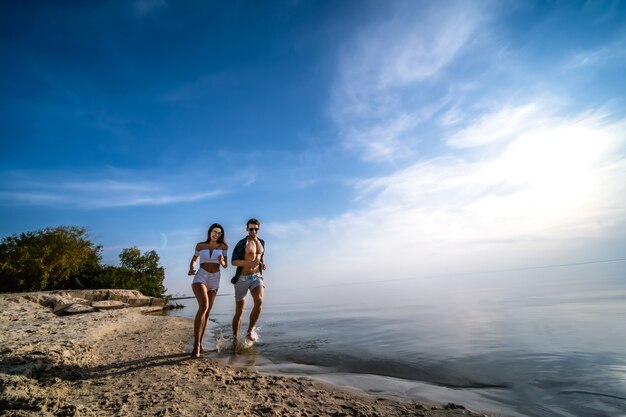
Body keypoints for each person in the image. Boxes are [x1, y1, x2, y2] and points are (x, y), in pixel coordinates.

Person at [188, 223, 228, 357]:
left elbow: (225, 265)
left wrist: (222, 260)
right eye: (214, 232)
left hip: (215, 278)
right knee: (203, 306)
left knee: (208, 311)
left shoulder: (223, 247)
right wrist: (191, 268)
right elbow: (194, 260)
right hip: (201, 275)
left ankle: (201, 342)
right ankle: (196, 345)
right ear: (210, 232)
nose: (216, 235)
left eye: (219, 233)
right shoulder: (200, 245)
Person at [231, 218, 266, 348]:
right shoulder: (241, 243)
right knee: (239, 311)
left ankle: (250, 330)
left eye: (256, 229)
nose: (253, 231)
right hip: (242, 279)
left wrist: (263, 263)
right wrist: (248, 263)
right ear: (247, 229)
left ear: (258, 229)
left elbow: (260, 255)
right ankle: (235, 339)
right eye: (251, 229)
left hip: (256, 277)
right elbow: (234, 262)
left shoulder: (261, 242)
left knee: (259, 302)